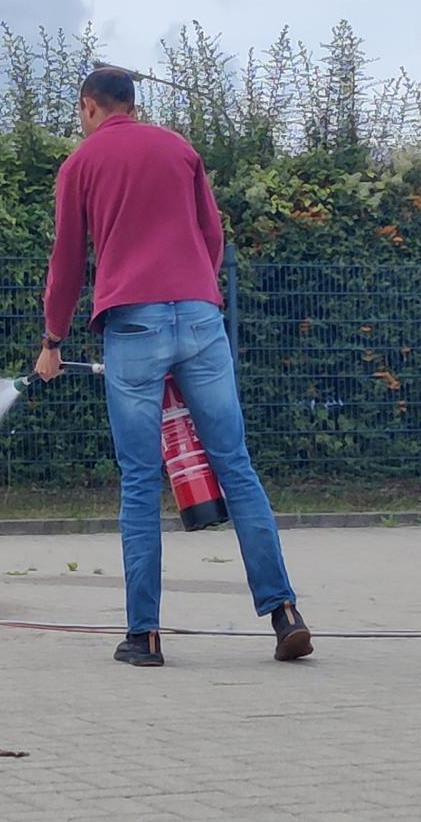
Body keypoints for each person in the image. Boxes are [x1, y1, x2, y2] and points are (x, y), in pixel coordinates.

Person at [33, 67, 311, 666]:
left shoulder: (80, 166)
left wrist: (53, 338)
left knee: (139, 479)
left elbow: (66, 263)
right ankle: (284, 611)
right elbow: (212, 237)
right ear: (134, 103)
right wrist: (193, 294)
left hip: (132, 323)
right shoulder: (180, 148)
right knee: (235, 465)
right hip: (200, 316)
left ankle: (145, 636)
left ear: (88, 107)